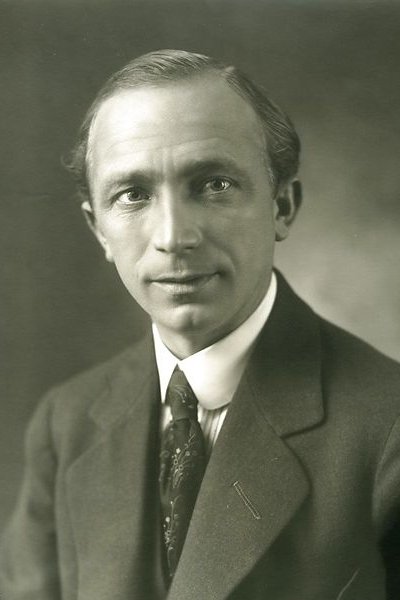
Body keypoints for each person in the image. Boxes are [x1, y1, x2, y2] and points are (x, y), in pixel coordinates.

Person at [1, 49, 400, 600]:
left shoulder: (387, 432)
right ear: (99, 230)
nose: (174, 236)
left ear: (282, 206)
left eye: (214, 185)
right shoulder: (66, 423)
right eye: (133, 195)